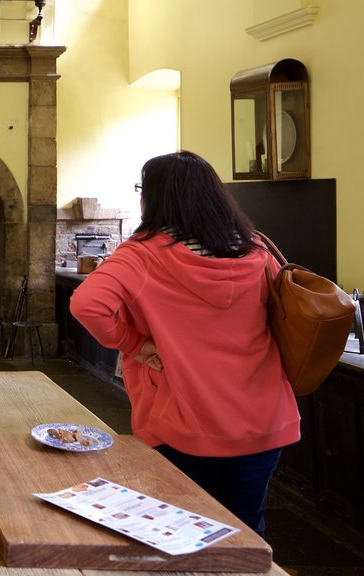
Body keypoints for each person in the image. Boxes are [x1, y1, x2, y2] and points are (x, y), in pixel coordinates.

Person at [69, 151, 300, 536]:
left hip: (181, 421)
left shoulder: (142, 256)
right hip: (261, 420)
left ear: (154, 198)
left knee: (178, 534)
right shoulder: (257, 251)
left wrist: (135, 344)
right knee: (245, 535)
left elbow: (87, 304)